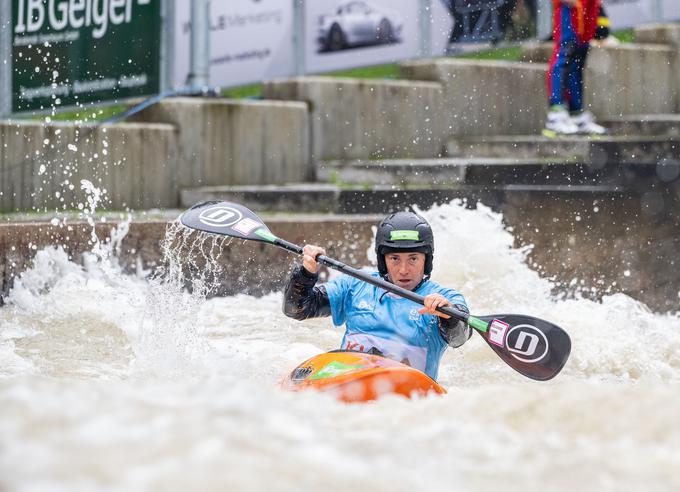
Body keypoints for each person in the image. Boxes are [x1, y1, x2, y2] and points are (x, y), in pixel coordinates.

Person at [283, 211, 471, 382]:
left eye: (413, 258)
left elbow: (459, 337)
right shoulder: (355, 284)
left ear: (426, 260)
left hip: (407, 396)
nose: (403, 270)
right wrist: (306, 273)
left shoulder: (445, 299)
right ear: (383, 260)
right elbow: (296, 309)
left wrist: (449, 316)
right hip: (349, 382)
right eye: (394, 259)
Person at [545, 0, 607, 135]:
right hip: (570, 6)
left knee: (578, 60)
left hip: (587, 5)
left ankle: (576, 115)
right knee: (565, 54)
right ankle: (555, 115)